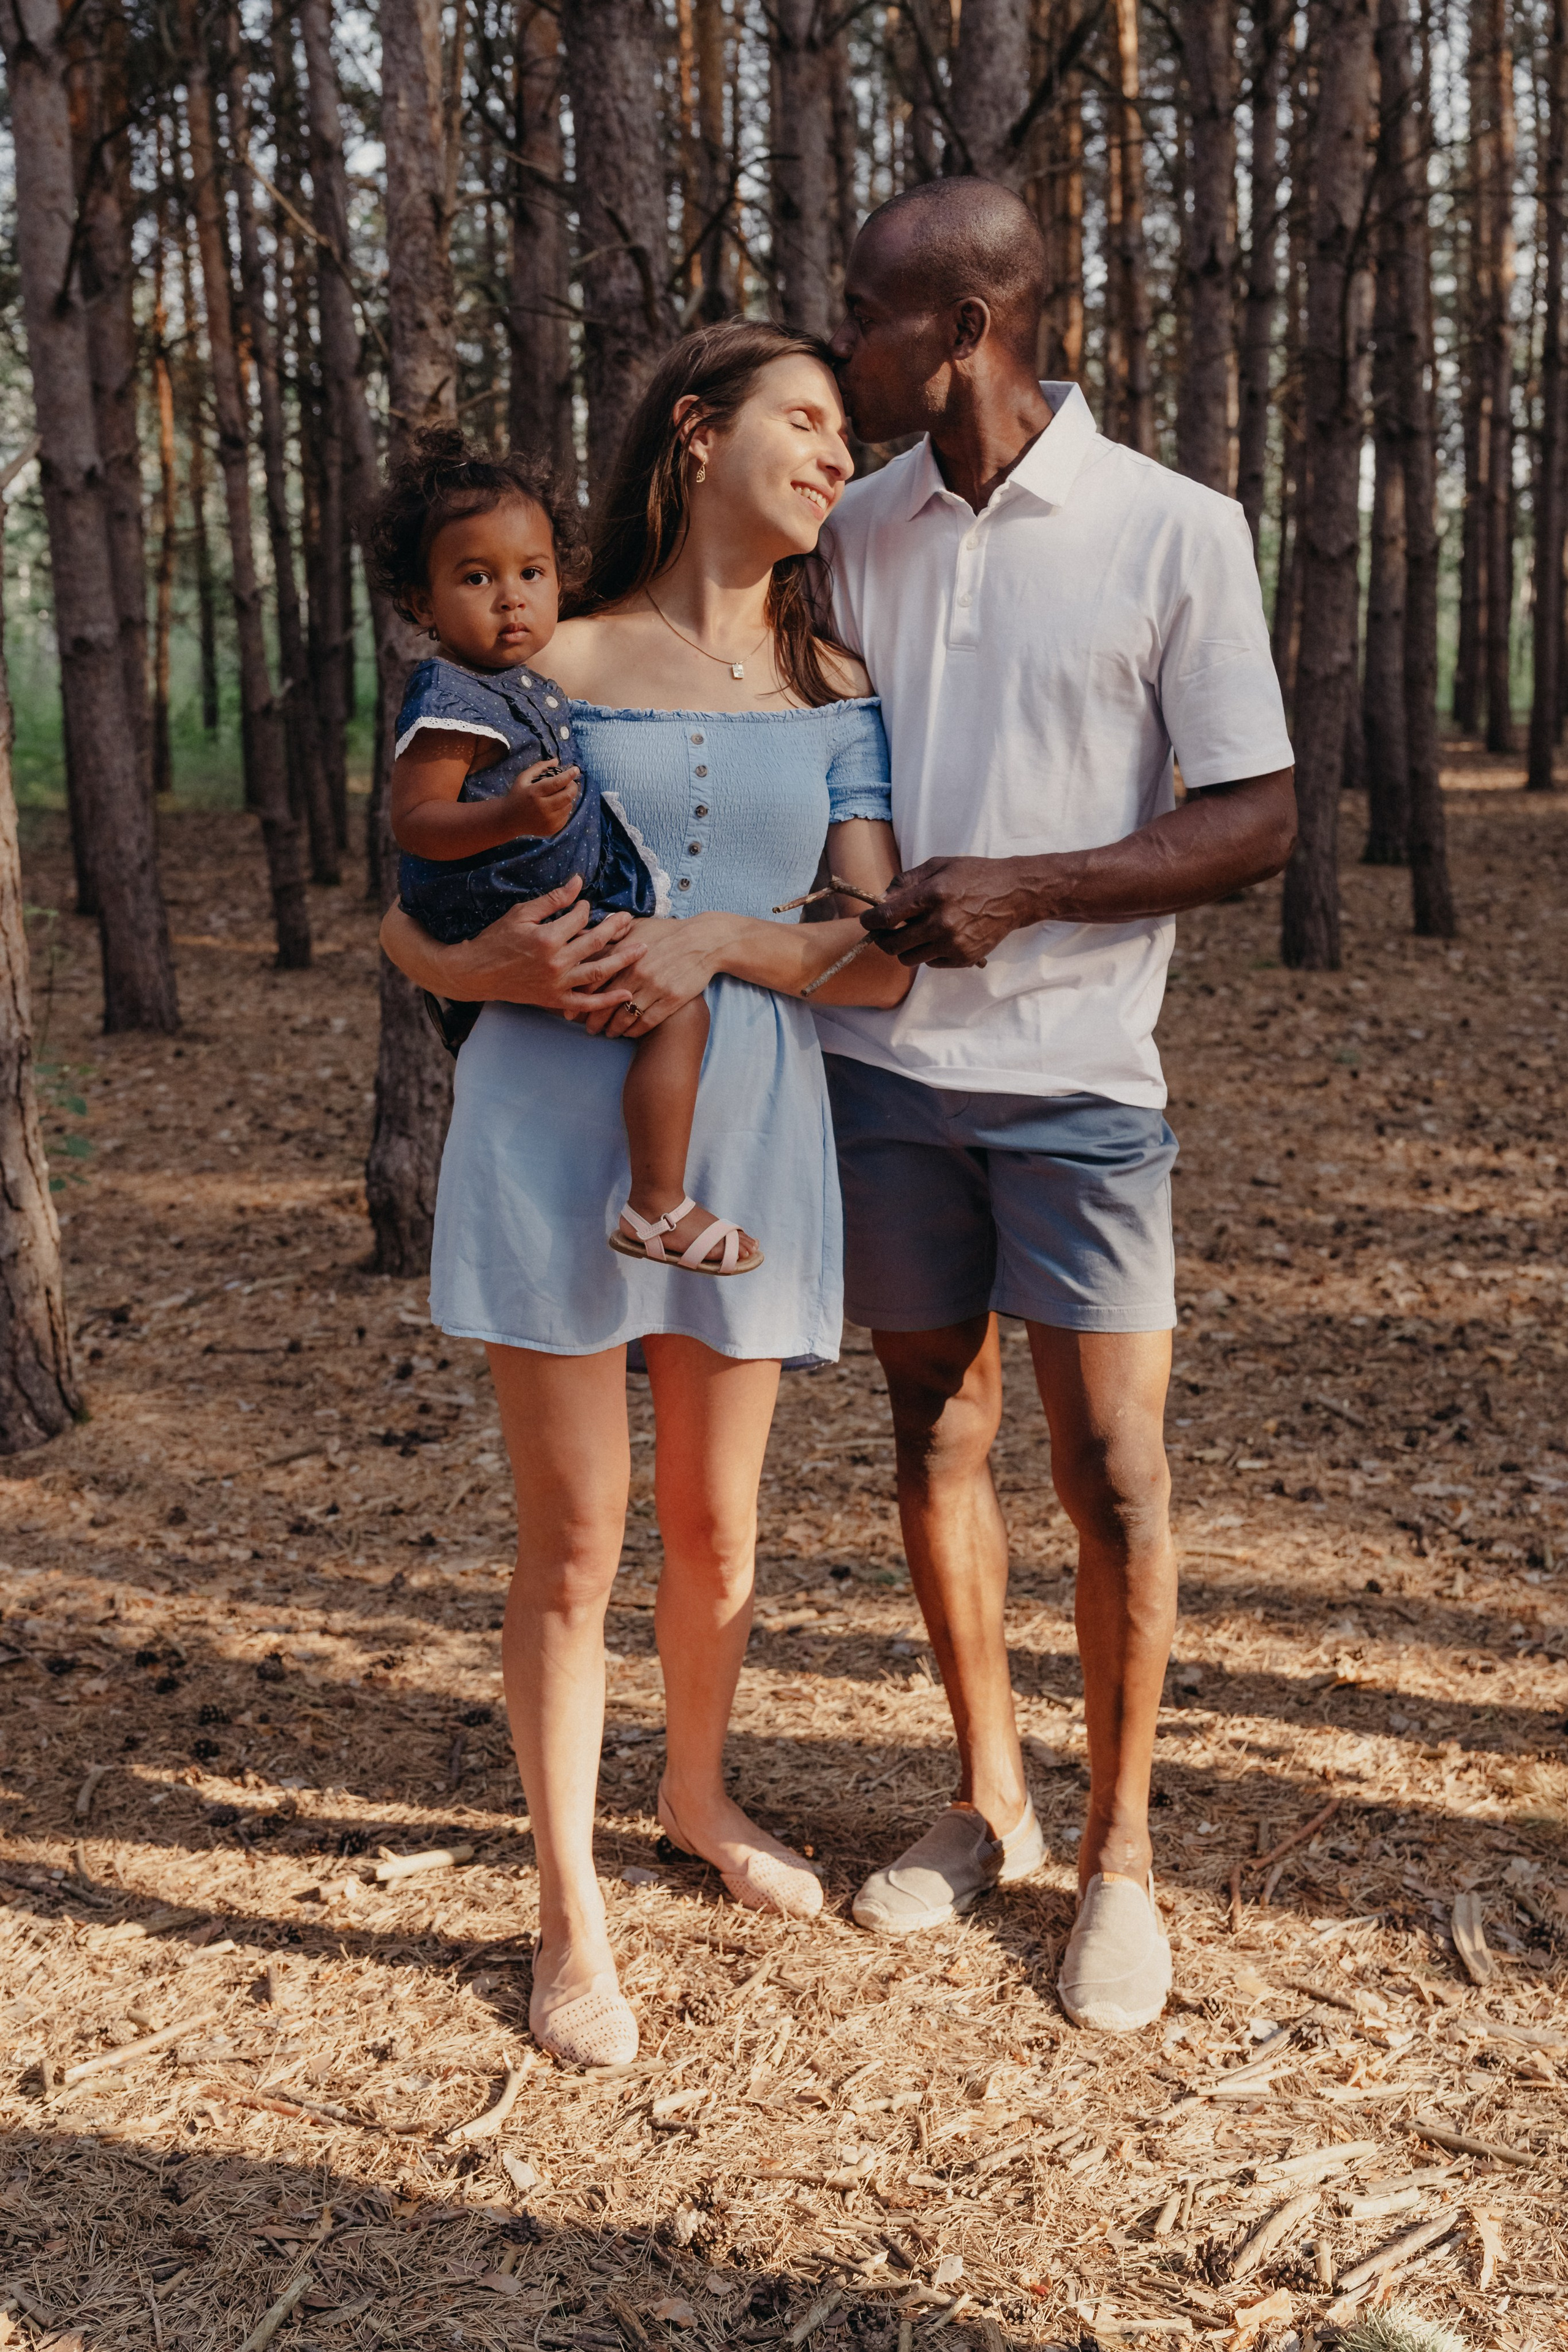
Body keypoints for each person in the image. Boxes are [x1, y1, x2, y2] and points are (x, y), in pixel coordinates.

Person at [377, 321, 913, 2069]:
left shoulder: (834, 686)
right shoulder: (544, 652)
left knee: (716, 1529)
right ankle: (568, 1911)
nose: (836, 458)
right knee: (574, 1543)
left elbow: (879, 955)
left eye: (847, 438)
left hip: (743, 1122)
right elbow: (407, 916)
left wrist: (720, 942)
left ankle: (694, 1793)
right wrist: (500, 972)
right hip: (547, 1120)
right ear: (697, 433)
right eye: (806, 422)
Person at [816, 179, 1297, 2032]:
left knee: (1113, 1473)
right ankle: (989, 1805)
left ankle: (1121, 1858)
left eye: (863, 310)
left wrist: (1027, 889)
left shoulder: (1175, 527)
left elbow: (1252, 817)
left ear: (961, 331)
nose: (837, 339)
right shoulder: (850, 526)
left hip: (1081, 1086)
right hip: (880, 1078)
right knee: (933, 1429)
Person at [374, 428, 759, 1277]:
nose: (511, 599)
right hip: (501, 905)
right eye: (477, 578)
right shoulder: (449, 696)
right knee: (679, 1011)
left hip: (538, 892)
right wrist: (510, 816)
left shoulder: (524, 682)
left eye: (532, 573)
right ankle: (658, 1202)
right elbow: (417, 822)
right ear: (422, 604)